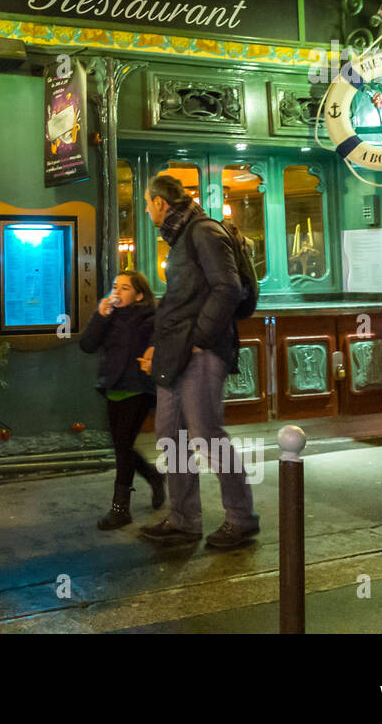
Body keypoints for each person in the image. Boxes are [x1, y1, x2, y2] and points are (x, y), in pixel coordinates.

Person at [138, 173, 260, 550]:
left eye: (147, 202)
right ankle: (184, 519)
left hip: (202, 352)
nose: (145, 209)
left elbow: (228, 288)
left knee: (207, 435)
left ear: (161, 203)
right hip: (178, 351)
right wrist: (159, 344)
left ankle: (241, 519)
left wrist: (200, 340)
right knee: (169, 436)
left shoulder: (203, 232)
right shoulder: (183, 236)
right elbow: (182, 299)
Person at [79, 270, 165, 529]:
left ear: (139, 294)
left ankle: (120, 509)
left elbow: (158, 340)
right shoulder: (110, 315)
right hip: (113, 386)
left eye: (125, 288)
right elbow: (88, 345)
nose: (117, 292)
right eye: (116, 286)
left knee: (123, 446)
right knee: (121, 445)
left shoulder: (149, 317)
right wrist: (100, 315)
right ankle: (153, 475)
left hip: (138, 388)